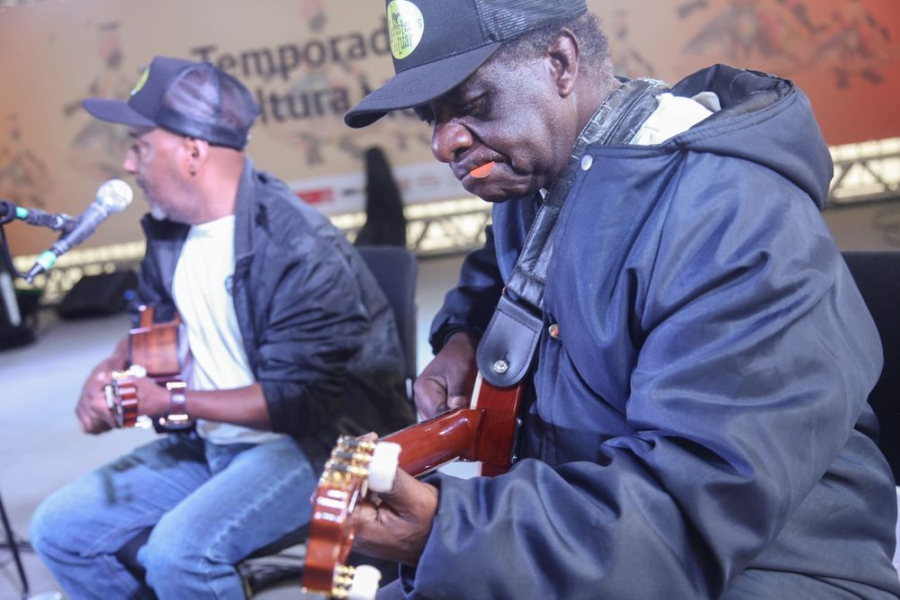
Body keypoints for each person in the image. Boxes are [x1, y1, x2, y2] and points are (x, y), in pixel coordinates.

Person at [341, 1, 900, 598]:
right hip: (591, 540)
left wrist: (443, 531)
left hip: (758, 569)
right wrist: (463, 333)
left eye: (473, 104)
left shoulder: (733, 217)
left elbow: (689, 509)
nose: (442, 142)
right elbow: (506, 262)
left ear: (560, 63)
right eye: (432, 116)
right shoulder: (546, 172)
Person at [29, 55, 414, 600]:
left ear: (191, 151)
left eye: (139, 144)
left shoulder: (297, 246)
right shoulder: (171, 233)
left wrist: (171, 401)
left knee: (179, 553)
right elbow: (159, 326)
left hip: (321, 444)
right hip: (214, 440)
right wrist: (111, 371)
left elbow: (295, 402)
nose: (129, 163)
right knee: (58, 530)